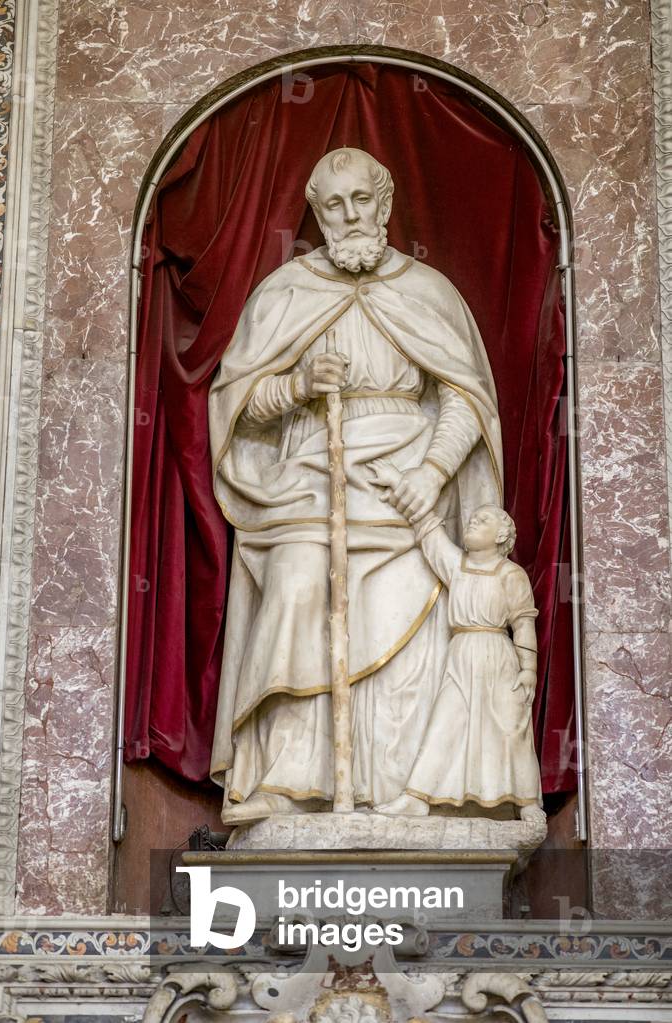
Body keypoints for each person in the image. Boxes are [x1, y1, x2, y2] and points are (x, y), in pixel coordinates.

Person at [208, 147, 503, 824]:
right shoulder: (286, 292)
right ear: (317, 213)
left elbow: (465, 397)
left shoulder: (428, 292)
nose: (349, 215)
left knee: (410, 616)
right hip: (312, 478)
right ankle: (286, 780)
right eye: (334, 205)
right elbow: (238, 407)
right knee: (296, 585)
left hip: (409, 480)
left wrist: (433, 473)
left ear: (385, 204)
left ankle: (402, 789)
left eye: (361, 200)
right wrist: (297, 386)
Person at [370, 458, 543, 820]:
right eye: (473, 518)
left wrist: (528, 669)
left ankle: (527, 802)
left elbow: (523, 623)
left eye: (483, 520)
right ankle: (417, 797)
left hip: (499, 656)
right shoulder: (457, 566)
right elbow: (428, 526)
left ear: (501, 536)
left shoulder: (511, 575)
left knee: (510, 727)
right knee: (446, 723)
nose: (472, 522)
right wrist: (399, 481)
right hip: (462, 654)